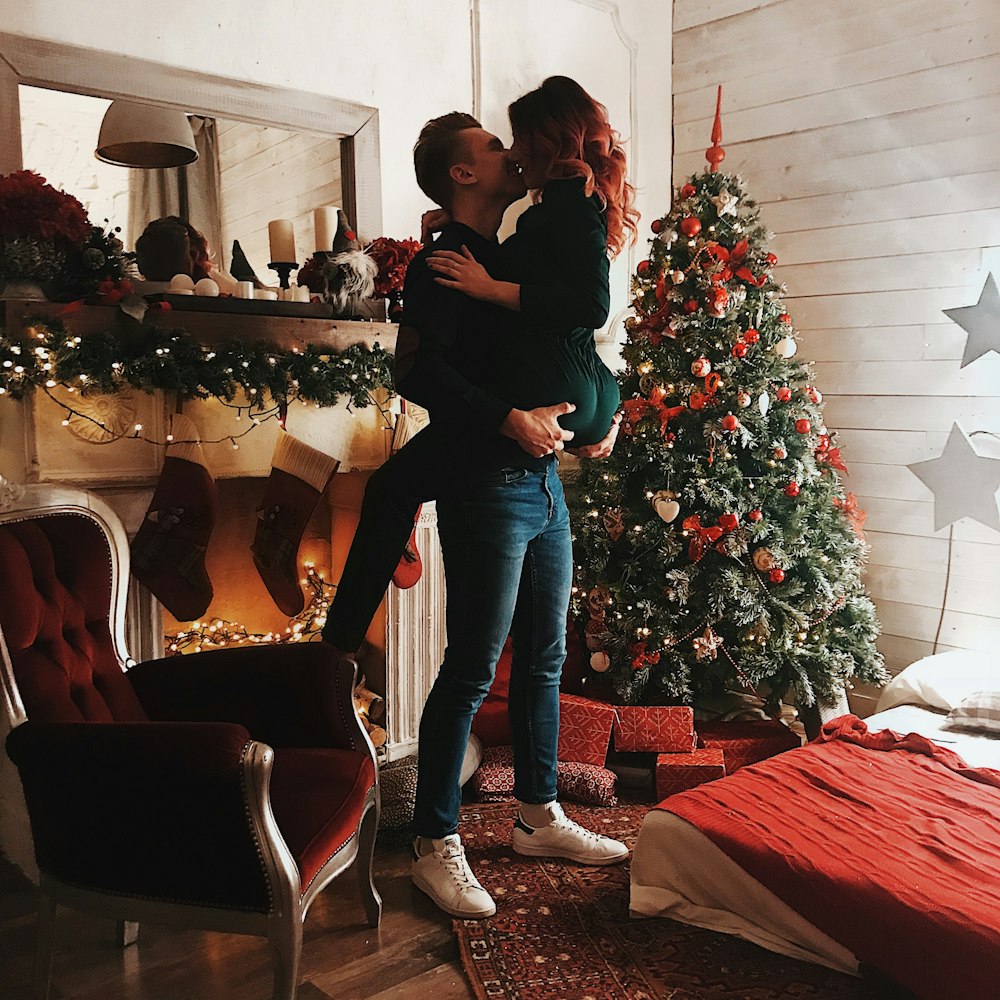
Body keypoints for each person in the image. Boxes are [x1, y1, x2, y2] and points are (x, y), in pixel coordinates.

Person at [323, 77, 636, 919]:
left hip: (542, 485)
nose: (510, 151)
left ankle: (537, 814)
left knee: (539, 660)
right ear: (463, 176)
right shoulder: (444, 266)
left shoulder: (504, 257)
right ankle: (436, 841)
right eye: (493, 148)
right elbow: (417, 371)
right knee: (469, 667)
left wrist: (601, 406)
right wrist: (506, 417)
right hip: (488, 488)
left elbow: (563, 337)